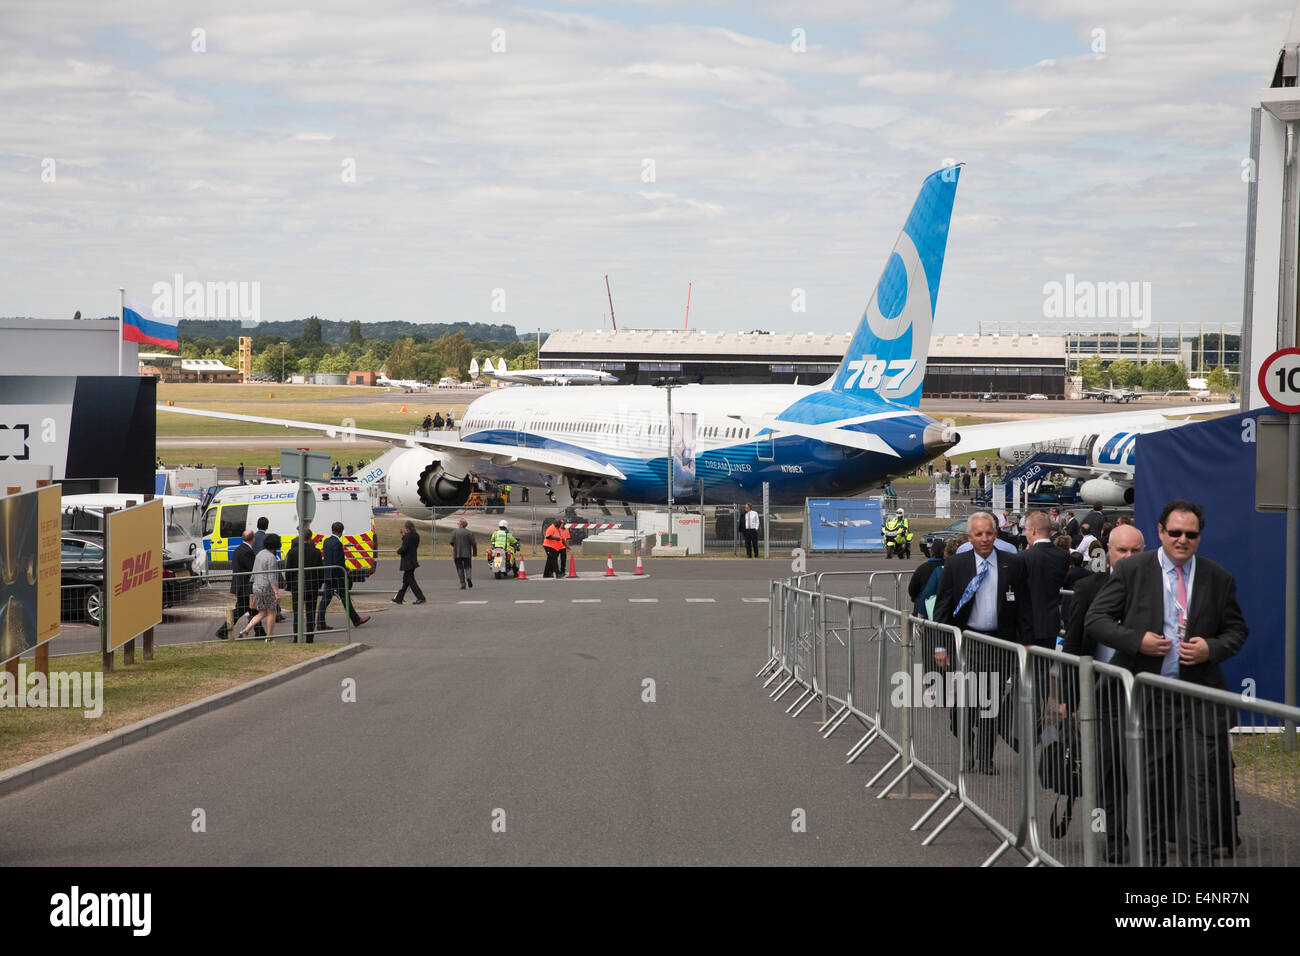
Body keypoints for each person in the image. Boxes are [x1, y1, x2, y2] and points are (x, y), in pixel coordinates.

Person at [1085, 500, 1248, 866]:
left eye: (1191, 534)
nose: (1182, 540)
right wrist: (1136, 640)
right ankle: (1152, 857)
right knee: (1152, 785)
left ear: (1199, 537)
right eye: (1175, 532)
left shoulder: (1217, 577)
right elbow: (1096, 620)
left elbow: (1237, 630)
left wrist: (1212, 647)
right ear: (1160, 532)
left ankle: (1199, 858)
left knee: (1199, 785)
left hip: (1197, 697)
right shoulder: (1132, 571)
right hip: (1149, 696)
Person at [1063, 523, 1145, 862]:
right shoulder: (1087, 588)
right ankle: (1114, 835)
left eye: (1134, 552)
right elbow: (1073, 645)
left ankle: (1157, 833)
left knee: (1148, 767)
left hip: (1145, 693)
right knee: (1111, 766)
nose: (1126, 557)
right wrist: (1071, 695)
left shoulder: (1157, 588)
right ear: (1106, 552)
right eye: (1120, 550)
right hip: (1103, 692)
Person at [934, 511, 1033, 774]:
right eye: (979, 534)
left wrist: (1026, 641)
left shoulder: (1013, 563)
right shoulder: (957, 565)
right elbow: (943, 608)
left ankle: (985, 758)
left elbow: (1024, 606)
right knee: (963, 706)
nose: (985, 539)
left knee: (990, 703)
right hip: (967, 643)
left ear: (996, 534)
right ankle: (967, 747)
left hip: (998, 643)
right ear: (970, 537)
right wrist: (940, 645)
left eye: (989, 533)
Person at [317, 521, 371, 631]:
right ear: (341, 531)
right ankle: (356, 620)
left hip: (328, 574)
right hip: (336, 576)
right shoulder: (337, 544)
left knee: (325, 600)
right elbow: (338, 561)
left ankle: (320, 622)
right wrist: (346, 570)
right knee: (345, 598)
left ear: (332, 530)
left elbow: (329, 558)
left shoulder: (326, 541)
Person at [239, 534, 282, 640]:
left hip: (256, 586)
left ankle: (246, 630)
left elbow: (254, 571)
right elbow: (272, 577)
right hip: (266, 588)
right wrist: (276, 592)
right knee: (272, 612)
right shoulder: (271, 558)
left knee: (262, 612)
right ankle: (269, 637)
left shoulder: (259, 554)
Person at [284, 525, 324, 641]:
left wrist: (290, 584)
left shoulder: (292, 552)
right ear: (311, 538)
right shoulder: (316, 552)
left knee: (297, 613)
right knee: (311, 613)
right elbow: (320, 570)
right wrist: (319, 583)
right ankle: (310, 638)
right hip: (312, 586)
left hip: (297, 585)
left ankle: (296, 637)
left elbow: (289, 571)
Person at [223, 530, 263, 639]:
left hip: (240, 585)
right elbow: (252, 568)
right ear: (253, 539)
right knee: (241, 610)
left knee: (253, 610)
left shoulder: (238, 549)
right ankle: (223, 630)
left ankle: (260, 631)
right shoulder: (247, 552)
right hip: (245, 586)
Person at [392, 520, 427, 604]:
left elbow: (404, 548)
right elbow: (410, 544)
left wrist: (398, 551)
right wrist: (404, 536)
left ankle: (421, 597)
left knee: (410, 580)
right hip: (413, 560)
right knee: (406, 581)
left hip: (407, 561)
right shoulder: (416, 535)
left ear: (407, 528)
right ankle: (399, 598)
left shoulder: (408, 536)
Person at [451, 518, 477, 588]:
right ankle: (468, 577)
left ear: (461, 524)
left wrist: (456, 547)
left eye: (458, 523)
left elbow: (451, 542)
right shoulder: (469, 533)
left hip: (457, 553)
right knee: (468, 567)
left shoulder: (454, 532)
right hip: (467, 553)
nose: (458, 524)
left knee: (459, 568)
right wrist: (474, 553)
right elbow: (474, 543)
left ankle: (463, 584)